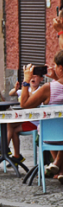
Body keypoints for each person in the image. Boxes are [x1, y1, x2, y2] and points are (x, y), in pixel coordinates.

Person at [20, 53, 63, 182]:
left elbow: (24, 104)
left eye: (55, 66)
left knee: (54, 132)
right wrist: (57, 78)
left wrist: (26, 81)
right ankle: (60, 168)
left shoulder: (48, 88)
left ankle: (58, 164)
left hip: (49, 137)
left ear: (60, 68)